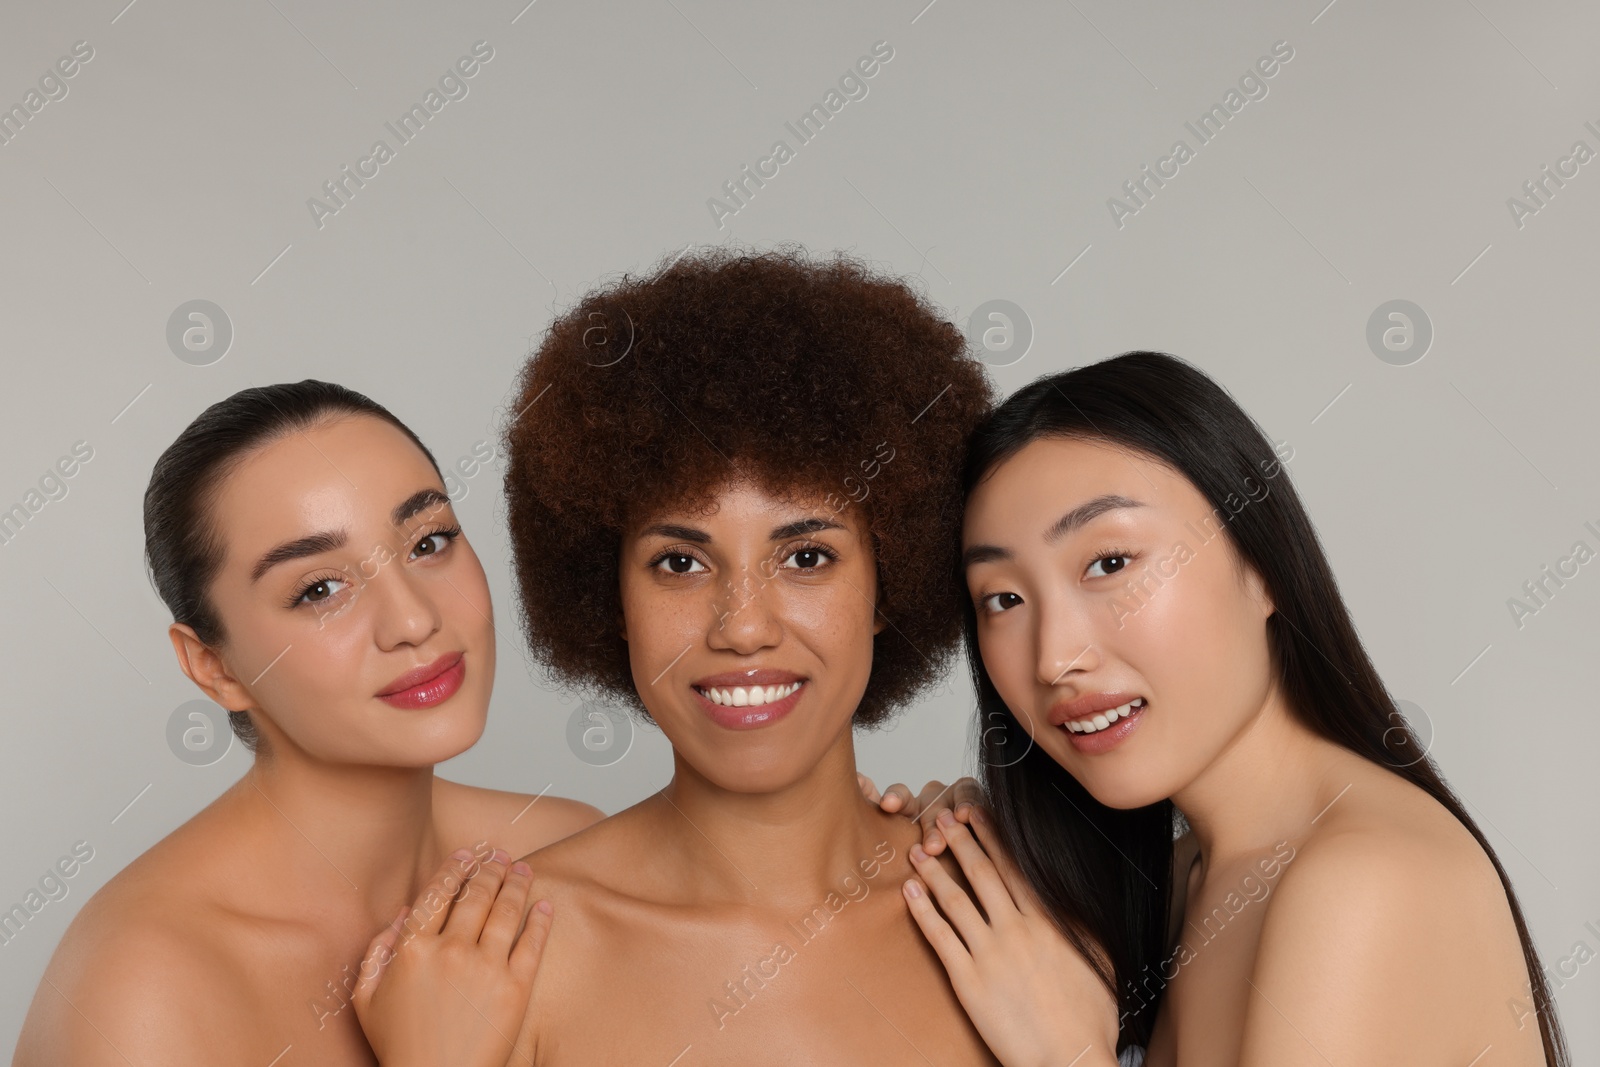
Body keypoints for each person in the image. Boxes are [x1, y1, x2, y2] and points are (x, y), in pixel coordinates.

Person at [355, 245, 1061, 1065]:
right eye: (680, 563)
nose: (743, 627)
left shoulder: (1014, 911)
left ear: (890, 581)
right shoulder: (501, 957)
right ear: (608, 596)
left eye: (805, 557)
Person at [889, 351, 1569, 1065]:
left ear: (1264, 565)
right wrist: (979, 857)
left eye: (1111, 563)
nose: (1054, 657)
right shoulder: (1192, 875)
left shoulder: (1364, 882)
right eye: (1004, 598)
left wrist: (1070, 1054)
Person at [13, 381, 603, 1065]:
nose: (414, 619)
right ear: (214, 666)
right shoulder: (139, 992)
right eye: (320, 589)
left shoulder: (562, 860)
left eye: (428, 541)